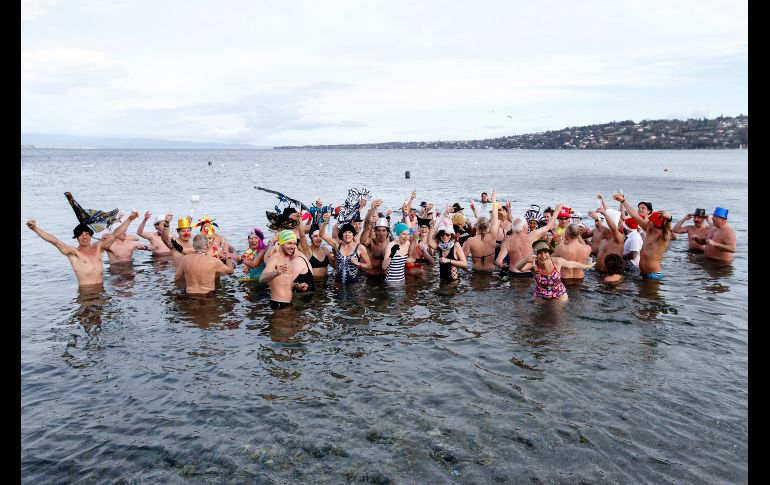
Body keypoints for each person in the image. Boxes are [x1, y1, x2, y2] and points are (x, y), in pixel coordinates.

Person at [26, 210, 139, 288]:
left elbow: (115, 234)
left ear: (91, 236)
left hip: (102, 292)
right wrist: (35, 228)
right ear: (76, 237)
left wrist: (129, 219)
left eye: (87, 234)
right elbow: (55, 241)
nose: (84, 237)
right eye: (81, 234)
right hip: (86, 294)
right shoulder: (73, 253)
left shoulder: (99, 248)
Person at [514, 240, 594, 302]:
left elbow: (572, 264)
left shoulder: (556, 261)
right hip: (540, 293)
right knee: (538, 315)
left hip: (559, 293)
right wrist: (525, 260)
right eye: (540, 253)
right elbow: (518, 268)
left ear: (549, 253)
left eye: (545, 252)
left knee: (557, 315)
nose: (543, 256)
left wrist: (587, 266)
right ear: (535, 255)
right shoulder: (534, 265)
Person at [615, 193, 673, 279]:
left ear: (656, 224)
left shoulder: (662, 237)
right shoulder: (649, 229)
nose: (648, 221)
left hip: (653, 275)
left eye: (651, 220)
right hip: (643, 273)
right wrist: (623, 201)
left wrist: (669, 219)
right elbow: (634, 215)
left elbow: (667, 229)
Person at [495, 204, 562, 276]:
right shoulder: (532, 236)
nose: (528, 226)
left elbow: (498, 262)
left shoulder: (508, 241)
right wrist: (557, 211)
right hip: (529, 272)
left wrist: (505, 267)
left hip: (513, 273)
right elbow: (549, 226)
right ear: (524, 228)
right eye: (527, 225)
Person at [259, 230, 314, 308]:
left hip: (288, 303)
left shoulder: (288, 258)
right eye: (289, 243)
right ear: (282, 243)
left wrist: (297, 286)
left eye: (294, 244)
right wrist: (275, 273)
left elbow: (285, 282)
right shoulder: (275, 258)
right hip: (278, 304)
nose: (292, 246)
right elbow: (262, 279)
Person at [463, 191, 500, 272]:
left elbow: (462, 260)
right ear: (488, 227)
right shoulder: (492, 236)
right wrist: (494, 200)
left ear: (476, 227)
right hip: (490, 270)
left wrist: (474, 211)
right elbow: (495, 217)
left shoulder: (470, 241)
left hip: (476, 271)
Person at [428, 216, 468, 283]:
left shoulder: (456, 245)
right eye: (442, 234)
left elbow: (464, 264)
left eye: (447, 235)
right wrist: (431, 226)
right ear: (439, 235)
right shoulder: (441, 245)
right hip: (442, 280)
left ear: (451, 235)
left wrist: (448, 260)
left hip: (453, 282)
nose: (445, 237)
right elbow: (430, 243)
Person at [360, 200, 391, 277]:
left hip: (385, 277)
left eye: (384, 230)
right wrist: (373, 208)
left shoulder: (390, 242)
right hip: (371, 276)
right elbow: (362, 240)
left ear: (387, 231)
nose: (381, 233)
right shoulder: (371, 241)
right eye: (379, 231)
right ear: (375, 231)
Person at [297, 216, 335, 281]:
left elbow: (334, 265)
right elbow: (302, 235)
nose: (318, 238)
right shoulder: (307, 250)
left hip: (326, 282)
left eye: (320, 236)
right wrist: (299, 219)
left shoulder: (325, 250)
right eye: (315, 236)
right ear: (311, 237)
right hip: (313, 282)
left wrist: (336, 251)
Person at [593, 207, 624, 273]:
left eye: (602, 228)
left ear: (608, 230)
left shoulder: (617, 240)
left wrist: (605, 214)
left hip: (610, 274)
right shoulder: (604, 241)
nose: (601, 230)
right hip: (598, 273)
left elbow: (613, 228)